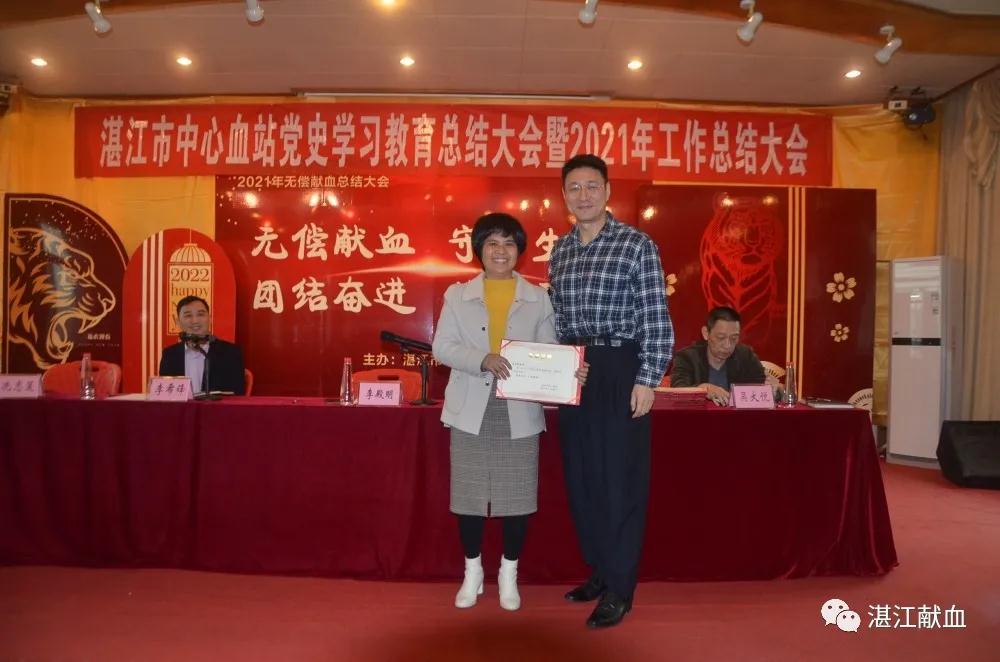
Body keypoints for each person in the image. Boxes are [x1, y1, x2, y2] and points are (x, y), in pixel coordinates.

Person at [433, 212, 586, 612]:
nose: (500, 251)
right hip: (470, 407)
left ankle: (508, 574)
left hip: (518, 409)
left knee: (517, 496)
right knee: (468, 496)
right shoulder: (457, 296)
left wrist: (568, 369)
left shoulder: (539, 297)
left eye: (508, 244)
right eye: (492, 243)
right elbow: (442, 348)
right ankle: (472, 572)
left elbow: (548, 350)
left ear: (519, 251)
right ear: (479, 250)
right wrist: (482, 359)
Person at [548, 154, 674, 628]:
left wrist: (647, 378)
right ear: (564, 196)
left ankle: (620, 587)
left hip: (622, 366)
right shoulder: (560, 251)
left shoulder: (636, 245)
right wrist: (558, 369)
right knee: (583, 479)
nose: (583, 195)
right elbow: (559, 321)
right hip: (577, 369)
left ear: (607, 191)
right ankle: (600, 571)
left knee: (620, 481)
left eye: (591, 186)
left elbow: (655, 317)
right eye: (574, 188)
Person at [670, 306, 774, 406]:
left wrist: (775, 389)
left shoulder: (745, 355)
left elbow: (763, 388)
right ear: (706, 333)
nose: (727, 345)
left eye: (733, 338)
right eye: (721, 337)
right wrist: (703, 389)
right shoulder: (687, 357)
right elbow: (677, 391)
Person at [158, 295, 246, 395]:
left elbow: (237, 395)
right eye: (188, 315)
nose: (195, 321)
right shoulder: (170, 355)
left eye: (200, 314)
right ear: (177, 322)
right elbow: (165, 395)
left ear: (210, 318)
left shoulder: (231, 353)